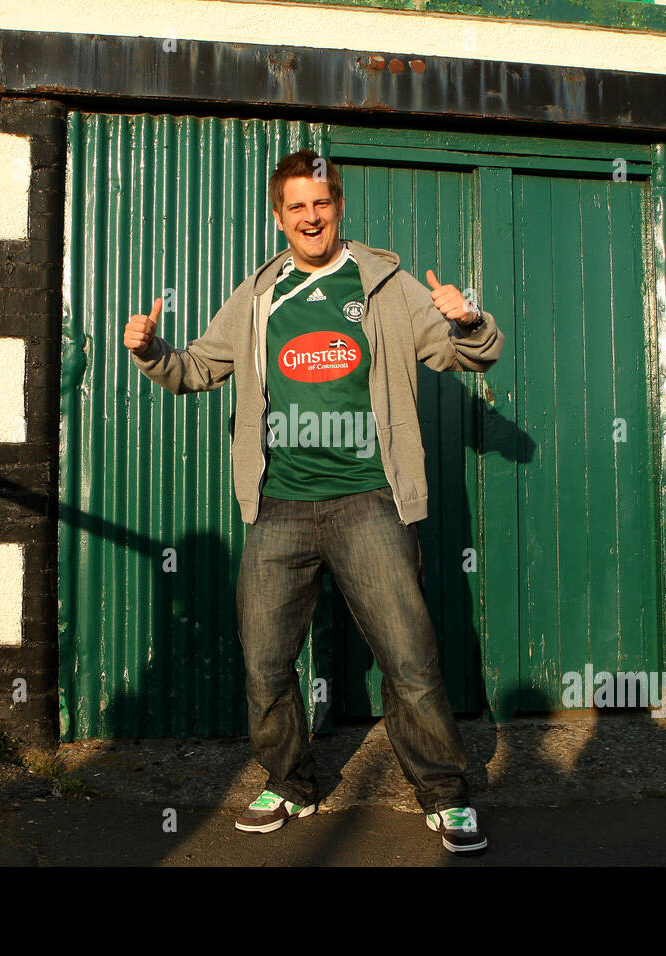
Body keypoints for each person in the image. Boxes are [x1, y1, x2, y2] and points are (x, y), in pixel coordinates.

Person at [123, 148, 504, 853]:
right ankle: (291, 784)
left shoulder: (381, 283)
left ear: (339, 206)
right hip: (280, 506)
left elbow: (466, 355)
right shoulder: (260, 295)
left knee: (410, 657)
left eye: (320, 203)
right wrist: (151, 351)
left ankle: (446, 793)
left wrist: (467, 319)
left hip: (368, 500)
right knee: (267, 660)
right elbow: (199, 368)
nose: (310, 216)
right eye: (296, 206)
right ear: (279, 217)